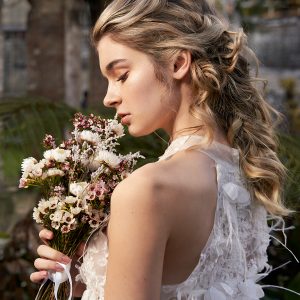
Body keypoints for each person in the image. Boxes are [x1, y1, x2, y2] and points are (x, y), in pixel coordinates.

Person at [30, 0, 298, 299]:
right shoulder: (243, 173)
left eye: (121, 75)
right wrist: (84, 278)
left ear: (177, 63)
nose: (109, 97)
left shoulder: (147, 190)